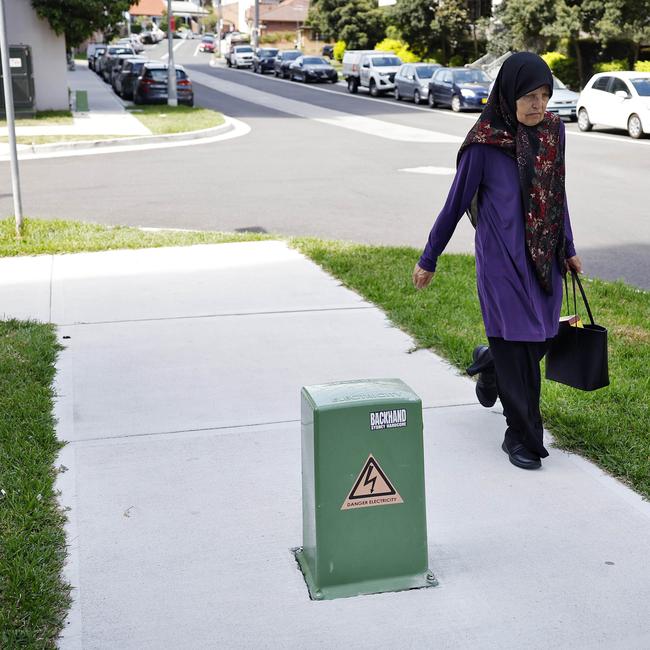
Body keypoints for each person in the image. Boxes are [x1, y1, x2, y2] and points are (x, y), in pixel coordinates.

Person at [412, 52, 582, 471]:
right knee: (520, 358)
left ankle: (490, 361)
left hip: (544, 259)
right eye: (529, 96)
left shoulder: (553, 132)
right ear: (509, 94)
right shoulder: (484, 144)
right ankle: (521, 436)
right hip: (502, 265)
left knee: (539, 340)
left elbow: (555, 195)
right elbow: (453, 206)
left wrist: (570, 247)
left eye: (544, 95)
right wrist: (429, 257)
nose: (538, 105)